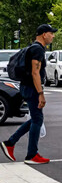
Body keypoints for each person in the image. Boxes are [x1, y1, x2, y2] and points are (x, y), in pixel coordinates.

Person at [2, 24, 56, 164]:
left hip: (26, 87)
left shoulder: (33, 48)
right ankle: (32, 155)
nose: (53, 36)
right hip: (32, 89)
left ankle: (10, 142)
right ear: (44, 34)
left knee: (35, 119)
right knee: (37, 119)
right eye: (51, 33)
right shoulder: (37, 50)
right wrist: (41, 93)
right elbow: (35, 72)